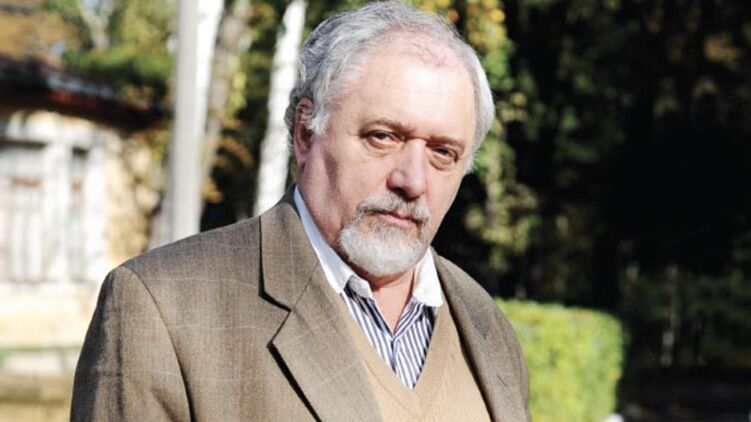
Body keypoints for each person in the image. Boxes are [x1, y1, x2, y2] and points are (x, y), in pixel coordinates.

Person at [71, 2, 530, 421]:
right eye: (383, 137)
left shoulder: (487, 327)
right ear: (306, 132)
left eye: (442, 152)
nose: (413, 181)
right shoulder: (164, 309)